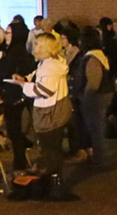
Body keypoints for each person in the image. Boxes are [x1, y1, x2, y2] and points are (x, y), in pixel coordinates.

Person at [13, 34, 73, 197]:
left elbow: (45, 90)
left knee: (50, 150)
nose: (34, 47)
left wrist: (25, 86)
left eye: (38, 44)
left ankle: (54, 185)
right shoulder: (51, 63)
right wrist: (27, 80)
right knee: (52, 148)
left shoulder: (49, 66)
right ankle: (53, 183)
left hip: (50, 112)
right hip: (56, 111)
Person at [74, 27, 113, 167]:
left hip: (95, 98)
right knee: (97, 128)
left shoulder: (92, 58)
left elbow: (93, 83)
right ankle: (99, 156)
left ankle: (100, 158)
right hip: (101, 96)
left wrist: (85, 97)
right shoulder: (99, 55)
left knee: (96, 129)